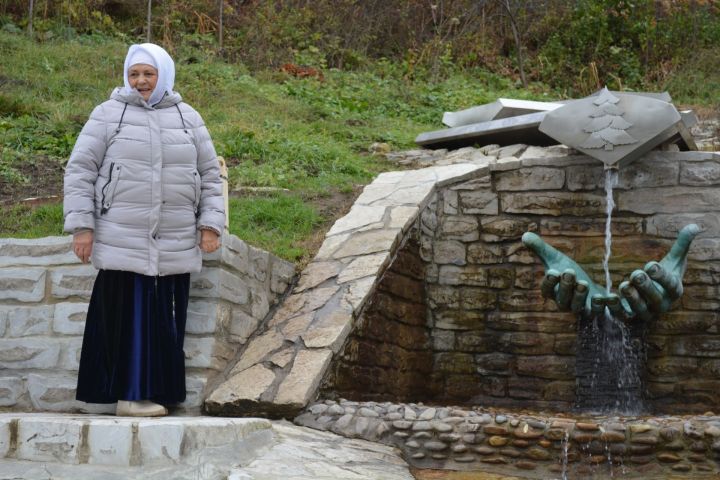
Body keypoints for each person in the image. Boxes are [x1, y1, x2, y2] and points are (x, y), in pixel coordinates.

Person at [63, 43, 225, 417]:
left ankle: (160, 392)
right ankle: (130, 397)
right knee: (130, 316)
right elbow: (80, 171)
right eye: (134, 74)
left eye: (148, 74)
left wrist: (211, 224)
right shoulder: (108, 115)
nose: (140, 81)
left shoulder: (188, 117)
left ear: (163, 75)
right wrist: (82, 227)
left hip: (174, 238)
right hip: (124, 235)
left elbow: (210, 176)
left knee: (165, 319)